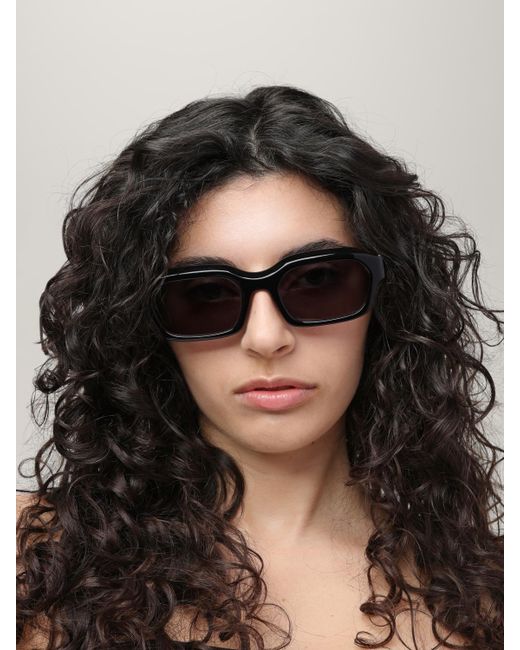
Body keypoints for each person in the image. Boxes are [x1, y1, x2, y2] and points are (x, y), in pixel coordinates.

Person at [16, 85, 503, 650]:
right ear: (145, 326)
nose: (267, 338)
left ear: (385, 301)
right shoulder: (27, 561)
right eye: (206, 294)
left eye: (318, 281)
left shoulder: (488, 600)